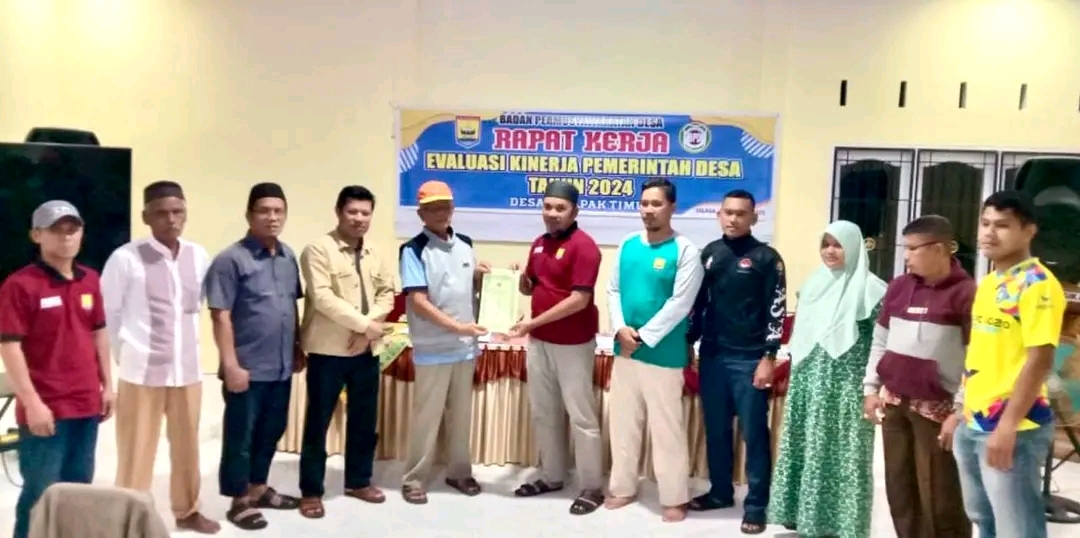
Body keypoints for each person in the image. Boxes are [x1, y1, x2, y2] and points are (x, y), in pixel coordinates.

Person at [100, 182, 219, 534]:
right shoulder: (125, 259)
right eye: (162, 213)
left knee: (187, 449)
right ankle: (128, 520)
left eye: (178, 211)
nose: (171, 219)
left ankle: (188, 511)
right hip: (141, 373)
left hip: (188, 371)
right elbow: (109, 316)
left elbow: (195, 309)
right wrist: (126, 356)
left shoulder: (198, 256)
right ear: (145, 217)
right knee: (136, 452)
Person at [0, 201, 115, 538]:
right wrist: (32, 403)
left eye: (72, 229)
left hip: (86, 405)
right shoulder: (20, 285)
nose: (66, 236)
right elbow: (9, 347)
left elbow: (99, 333)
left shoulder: (90, 280)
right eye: (56, 230)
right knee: (41, 493)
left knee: (78, 491)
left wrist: (108, 386)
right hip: (46, 410)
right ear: (37, 235)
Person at [954, 190, 1065, 538]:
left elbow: (1039, 359)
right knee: (983, 520)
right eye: (985, 223)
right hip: (974, 420)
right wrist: (959, 410)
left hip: (1014, 427)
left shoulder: (1038, 285)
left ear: (1029, 231)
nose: (989, 233)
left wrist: (1007, 427)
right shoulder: (990, 283)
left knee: (1018, 530)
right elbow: (979, 353)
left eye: (1002, 225)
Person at [767, 220, 886, 538]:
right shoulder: (813, 285)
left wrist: (872, 386)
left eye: (838, 245)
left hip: (846, 387)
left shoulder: (872, 291)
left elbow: (881, 343)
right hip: (808, 381)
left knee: (844, 454)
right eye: (826, 244)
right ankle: (805, 521)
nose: (830, 251)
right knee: (806, 447)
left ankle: (844, 526)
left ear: (854, 247)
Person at [863, 215, 973, 538]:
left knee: (940, 496)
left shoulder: (967, 293)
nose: (906, 256)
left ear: (939, 249)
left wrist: (960, 409)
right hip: (895, 402)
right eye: (905, 248)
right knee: (900, 489)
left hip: (938, 408)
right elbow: (880, 339)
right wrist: (870, 388)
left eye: (913, 248)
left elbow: (976, 357)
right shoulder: (898, 287)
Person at [204, 183, 305, 530]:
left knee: (271, 431)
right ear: (249, 215)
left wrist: (297, 347)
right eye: (264, 210)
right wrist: (230, 364)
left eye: (278, 211)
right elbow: (220, 316)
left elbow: (291, 306)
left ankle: (258, 488)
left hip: (281, 366)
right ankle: (238, 501)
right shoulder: (230, 260)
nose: (272, 217)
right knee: (241, 438)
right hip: (246, 368)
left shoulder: (288, 256)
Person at [686, 189, 786, 534]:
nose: (733, 218)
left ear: (754, 217)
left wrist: (769, 357)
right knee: (716, 430)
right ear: (719, 215)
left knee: (754, 434)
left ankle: (757, 505)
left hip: (749, 359)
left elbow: (776, 311)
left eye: (741, 213)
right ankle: (720, 493)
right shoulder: (710, 254)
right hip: (713, 356)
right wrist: (690, 342)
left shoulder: (767, 258)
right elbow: (697, 305)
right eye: (727, 212)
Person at [604, 177, 703, 523]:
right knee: (622, 424)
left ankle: (674, 497)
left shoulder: (685, 250)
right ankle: (622, 487)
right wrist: (620, 328)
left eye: (656, 204)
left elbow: (681, 303)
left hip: (663, 355)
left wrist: (644, 336)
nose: (649, 210)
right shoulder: (628, 244)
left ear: (672, 207)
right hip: (625, 350)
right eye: (644, 203)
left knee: (666, 429)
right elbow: (613, 291)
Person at [297, 185, 396, 518]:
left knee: (364, 420)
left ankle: (358, 481)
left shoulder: (377, 251)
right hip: (328, 351)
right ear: (339, 212)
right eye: (352, 211)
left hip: (366, 349)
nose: (359, 218)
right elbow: (323, 298)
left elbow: (387, 294)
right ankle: (311, 491)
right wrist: (365, 325)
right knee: (318, 422)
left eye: (365, 213)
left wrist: (366, 332)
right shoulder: (318, 249)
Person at [507, 182, 604, 515]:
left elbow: (579, 300)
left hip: (573, 344)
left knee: (581, 416)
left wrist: (531, 323)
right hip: (540, 342)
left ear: (574, 211)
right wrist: (521, 282)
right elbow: (532, 286)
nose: (552, 213)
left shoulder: (585, 247)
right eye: (547, 206)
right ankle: (552, 476)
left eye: (560, 208)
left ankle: (592, 487)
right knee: (544, 412)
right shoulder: (539, 244)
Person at [399, 180, 489, 504]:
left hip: (464, 349)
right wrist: (458, 327)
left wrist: (481, 277)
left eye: (445, 206)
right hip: (433, 348)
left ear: (453, 208)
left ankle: (459, 472)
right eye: (432, 208)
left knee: (461, 417)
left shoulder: (465, 244)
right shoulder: (413, 250)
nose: (440, 213)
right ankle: (413, 479)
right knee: (427, 418)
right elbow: (418, 301)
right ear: (421, 214)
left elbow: (465, 288)